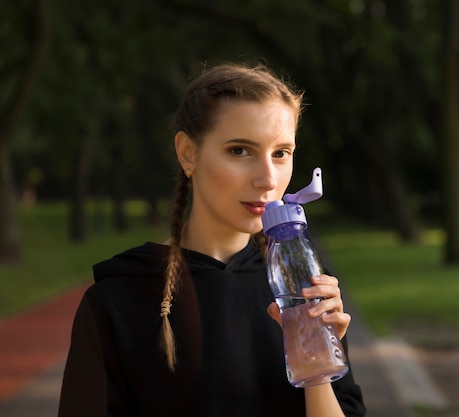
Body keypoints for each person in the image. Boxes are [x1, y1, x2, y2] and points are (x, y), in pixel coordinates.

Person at [58, 63, 366, 417]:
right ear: (188, 152)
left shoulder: (303, 287)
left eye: (281, 153)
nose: (268, 179)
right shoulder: (117, 300)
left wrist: (316, 365)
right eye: (240, 150)